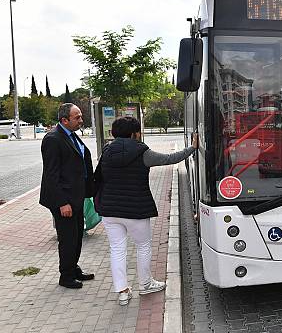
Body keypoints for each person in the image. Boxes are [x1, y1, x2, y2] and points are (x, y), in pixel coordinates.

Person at [96, 116, 197, 306]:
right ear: (136, 133)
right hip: (136, 209)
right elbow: (170, 158)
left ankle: (123, 291)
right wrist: (192, 148)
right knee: (143, 246)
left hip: (109, 210)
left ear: (113, 133)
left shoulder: (107, 151)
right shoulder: (142, 151)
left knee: (117, 249)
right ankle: (145, 284)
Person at [39, 103, 95, 289]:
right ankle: (66, 276)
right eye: (77, 117)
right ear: (64, 120)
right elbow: (51, 175)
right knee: (68, 238)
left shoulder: (71, 135)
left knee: (77, 235)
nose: (81, 120)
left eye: (80, 116)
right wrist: (62, 203)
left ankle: (73, 268)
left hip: (76, 197)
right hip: (64, 200)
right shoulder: (53, 139)